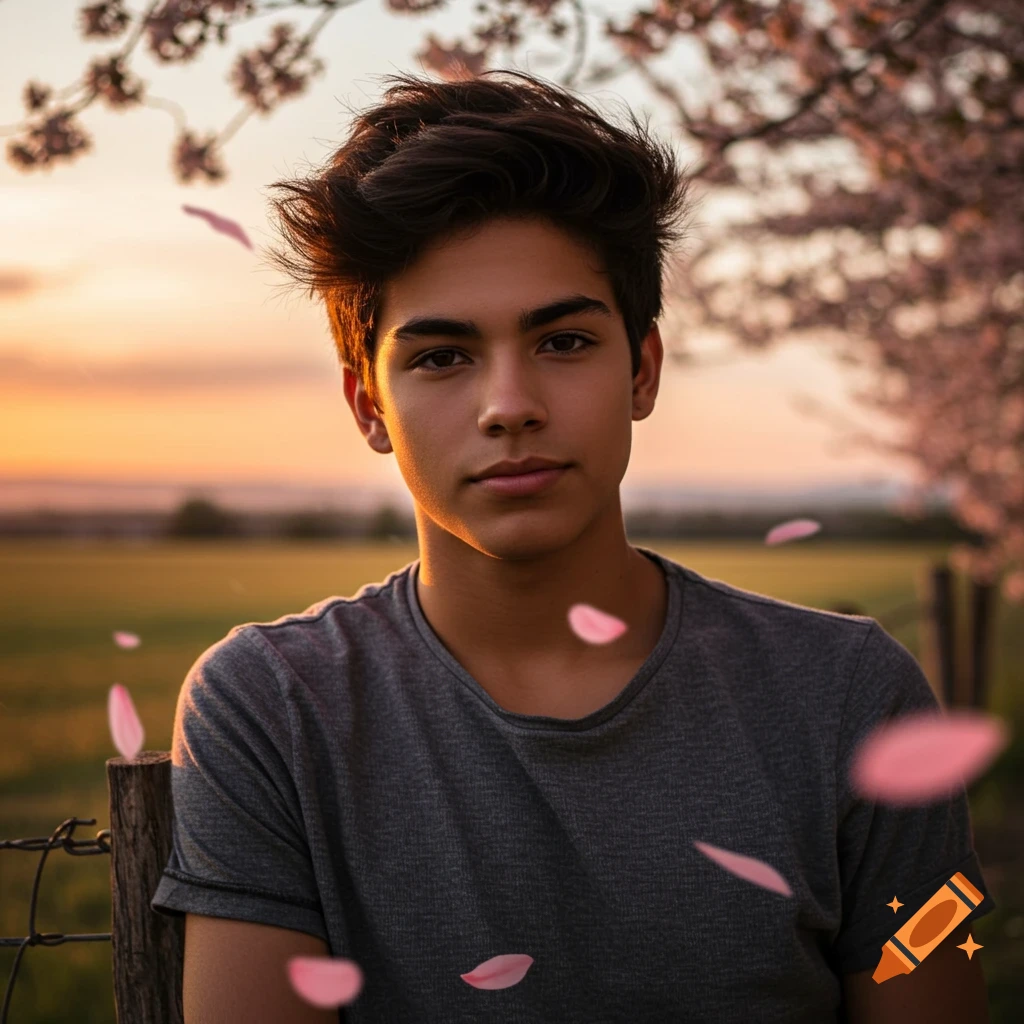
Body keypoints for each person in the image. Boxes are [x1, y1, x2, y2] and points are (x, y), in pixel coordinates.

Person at [151, 69, 994, 1023]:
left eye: (562, 342)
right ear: (368, 407)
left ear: (642, 368)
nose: (510, 404)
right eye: (441, 357)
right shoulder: (271, 710)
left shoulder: (854, 699)